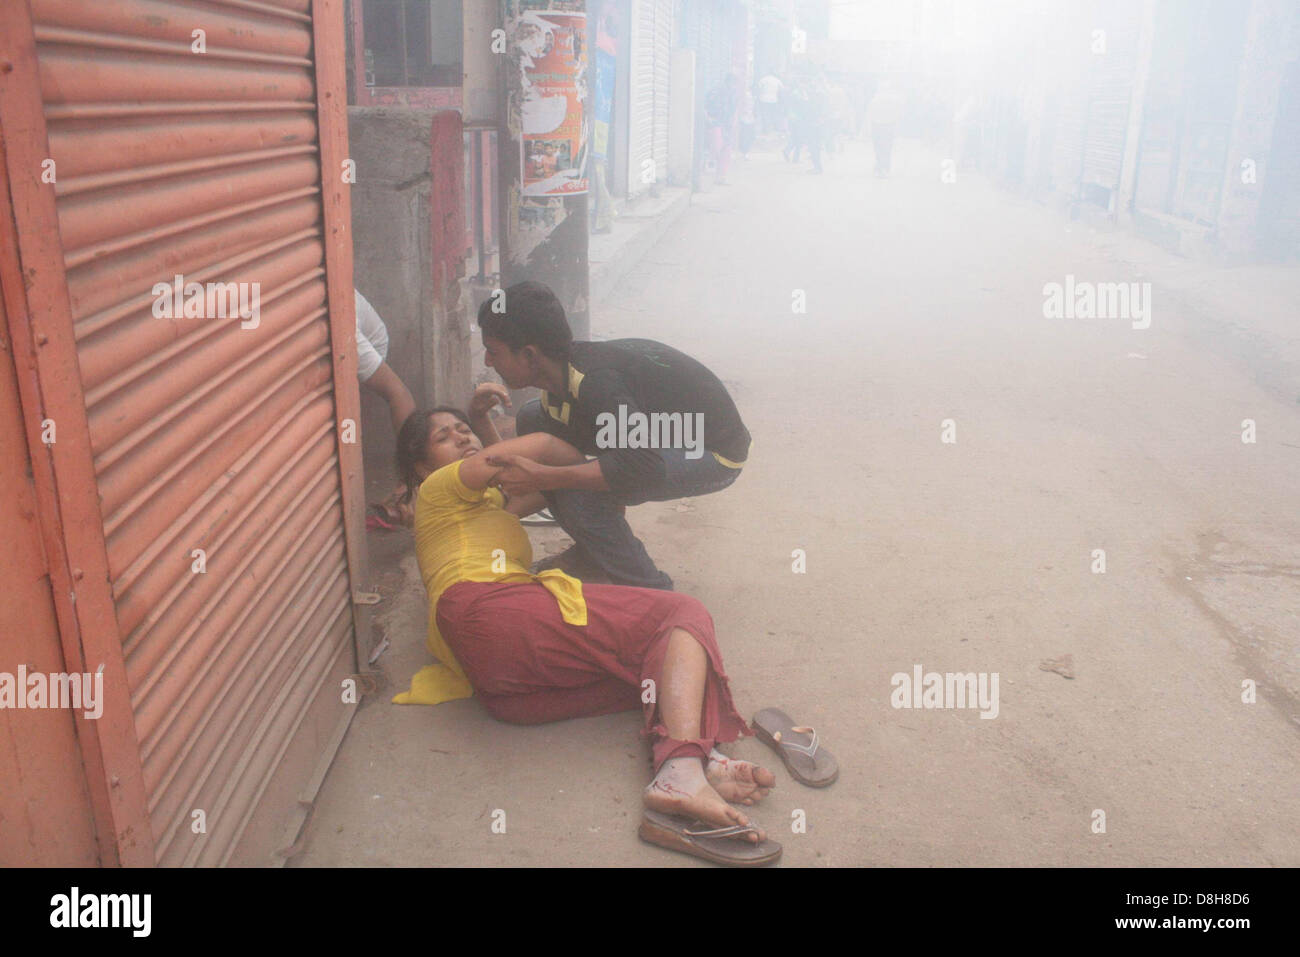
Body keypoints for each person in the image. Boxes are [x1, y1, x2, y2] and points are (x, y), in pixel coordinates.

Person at [392, 407, 781, 862]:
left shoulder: (478, 506)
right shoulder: (437, 490)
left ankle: (699, 762)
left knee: (660, 675)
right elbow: (540, 448)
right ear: (421, 467)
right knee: (680, 614)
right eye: (445, 436)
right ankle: (679, 774)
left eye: (465, 429)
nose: (463, 438)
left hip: (499, 682)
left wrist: (497, 430)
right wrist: (600, 466)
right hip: (491, 611)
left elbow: (537, 481)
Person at [477, 281, 751, 591]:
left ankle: (651, 591)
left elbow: (639, 467)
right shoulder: (562, 376)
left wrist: (548, 477)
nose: (487, 361)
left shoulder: (597, 384)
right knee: (533, 421)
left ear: (529, 355)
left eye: (492, 351)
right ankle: (594, 555)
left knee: (582, 493)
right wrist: (479, 419)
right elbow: (519, 477)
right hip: (653, 432)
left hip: (710, 450)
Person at [704, 74, 739, 185]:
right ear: (728, 82)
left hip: (726, 125)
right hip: (716, 124)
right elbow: (705, 106)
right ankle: (710, 176)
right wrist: (708, 119)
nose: (734, 86)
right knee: (715, 149)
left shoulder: (733, 94)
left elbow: (733, 110)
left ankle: (721, 177)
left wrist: (733, 124)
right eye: (733, 84)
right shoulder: (716, 92)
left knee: (726, 150)